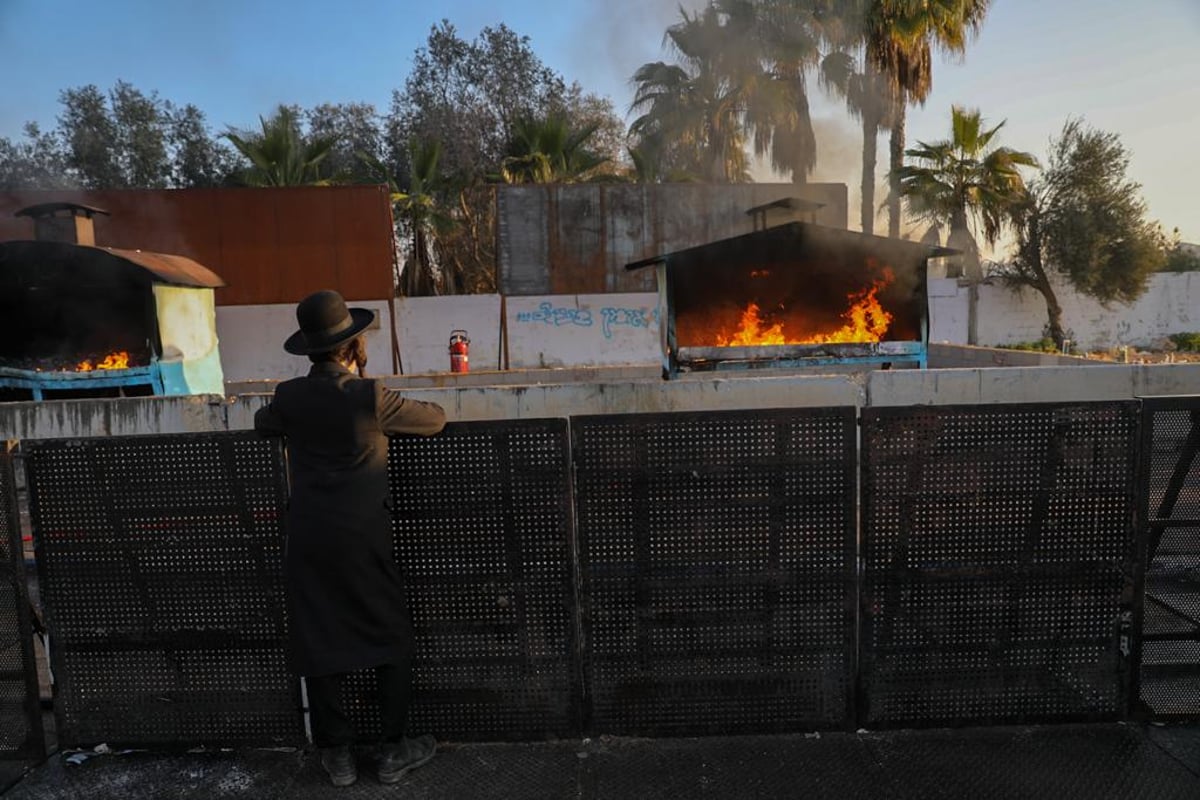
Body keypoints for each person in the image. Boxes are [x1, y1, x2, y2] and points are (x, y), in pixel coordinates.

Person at [255, 289, 446, 787]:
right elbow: (434, 418)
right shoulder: (370, 396)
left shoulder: (288, 397)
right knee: (389, 634)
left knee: (319, 636)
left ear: (310, 350)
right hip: (364, 539)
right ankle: (391, 750)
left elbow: (262, 423)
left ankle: (337, 755)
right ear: (352, 347)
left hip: (310, 538)